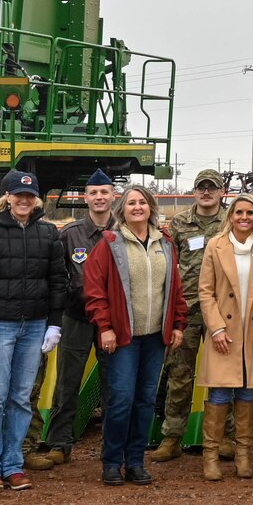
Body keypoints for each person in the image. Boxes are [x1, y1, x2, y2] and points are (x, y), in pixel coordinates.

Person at [0, 169, 68, 493]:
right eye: (18, 195)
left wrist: (54, 323)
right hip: (1, 326)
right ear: (7, 198)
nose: (24, 200)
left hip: (34, 327)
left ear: (36, 200)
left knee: (21, 399)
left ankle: (13, 464)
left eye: (29, 196)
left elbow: (57, 281)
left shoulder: (49, 234)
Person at [81, 184, 187, 486]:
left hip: (155, 337)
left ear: (151, 207)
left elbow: (175, 288)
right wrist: (105, 327)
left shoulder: (165, 244)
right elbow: (94, 290)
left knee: (144, 400)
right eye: (131, 203)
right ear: (122, 210)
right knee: (121, 400)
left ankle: (136, 461)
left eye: (142, 202)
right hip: (123, 337)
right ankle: (112, 462)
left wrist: (178, 323)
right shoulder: (110, 243)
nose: (137, 207)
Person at [151, 168, 229, 462]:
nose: (206, 192)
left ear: (222, 192)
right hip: (188, 308)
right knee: (180, 374)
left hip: (223, 309)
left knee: (224, 375)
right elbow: (169, 264)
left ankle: (226, 437)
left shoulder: (232, 221)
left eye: (212, 188)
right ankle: (172, 436)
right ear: (194, 191)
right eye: (201, 187)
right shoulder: (180, 222)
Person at [40, 168, 117, 468]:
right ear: (85, 198)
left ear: (113, 196)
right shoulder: (70, 235)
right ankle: (60, 444)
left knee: (114, 385)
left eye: (104, 192)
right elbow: (57, 278)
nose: (99, 197)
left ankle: (112, 446)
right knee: (67, 384)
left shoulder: (122, 232)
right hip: (76, 317)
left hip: (113, 322)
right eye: (93, 193)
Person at [197, 195, 253, 481]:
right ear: (230, 215)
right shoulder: (215, 246)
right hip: (225, 332)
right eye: (239, 212)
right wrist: (216, 328)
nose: (244, 217)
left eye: (250, 213)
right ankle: (211, 456)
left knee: (247, 392)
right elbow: (205, 291)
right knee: (219, 392)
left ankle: (244, 455)